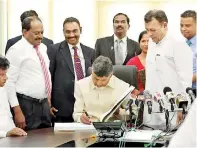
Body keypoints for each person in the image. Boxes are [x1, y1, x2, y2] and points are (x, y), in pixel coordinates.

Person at [143, 10, 193, 129]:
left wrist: (183, 108)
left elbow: (185, 81)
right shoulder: (151, 42)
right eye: (147, 30)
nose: (149, 34)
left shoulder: (178, 45)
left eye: (153, 30)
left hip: (172, 108)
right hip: (152, 107)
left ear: (164, 25)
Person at [5, 17, 52, 130]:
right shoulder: (15, 50)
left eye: (42, 32)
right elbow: (9, 82)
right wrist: (17, 111)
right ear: (24, 32)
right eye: (36, 33)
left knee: (47, 141)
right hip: (26, 105)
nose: (40, 36)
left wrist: (48, 100)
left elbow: (44, 75)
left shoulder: (43, 48)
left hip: (44, 105)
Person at [48, 17, 95, 123]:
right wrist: (48, 104)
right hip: (61, 108)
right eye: (67, 32)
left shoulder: (91, 52)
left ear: (81, 30)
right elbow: (48, 78)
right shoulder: (54, 50)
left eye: (75, 31)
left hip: (86, 107)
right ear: (63, 32)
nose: (71, 35)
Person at [73, 56, 134, 124]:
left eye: (103, 80)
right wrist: (80, 118)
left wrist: (119, 112)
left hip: (112, 129)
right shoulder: (80, 85)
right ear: (92, 72)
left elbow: (133, 114)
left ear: (111, 75)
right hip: (89, 127)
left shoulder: (123, 87)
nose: (99, 83)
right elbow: (76, 114)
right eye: (95, 78)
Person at [0, 56, 27, 138]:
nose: (6, 78)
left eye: (5, 74)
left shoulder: (3, 90)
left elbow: (7, 117)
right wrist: (6, 134)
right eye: (2, 75)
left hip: (9, 139)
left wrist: (15, 130)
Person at [180, 10, 196, 95]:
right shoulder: (181, 44)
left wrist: (191, 78)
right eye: (181, 25)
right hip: (185, 91)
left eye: (188, 26)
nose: (183, 28)